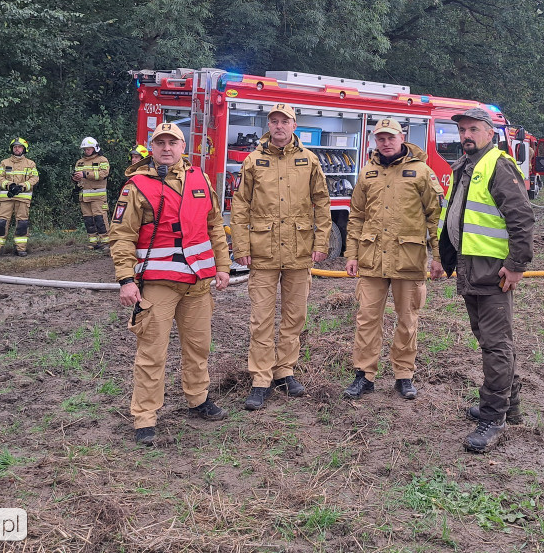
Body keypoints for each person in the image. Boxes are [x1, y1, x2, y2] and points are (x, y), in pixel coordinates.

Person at [108, 122, 231, 446]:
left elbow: (215, 226)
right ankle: (145, 417)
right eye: (160, 143)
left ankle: (197, 398)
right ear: (152, 147)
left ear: (182, 147)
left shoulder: (201, 179)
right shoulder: (137, 185)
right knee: (151, 352)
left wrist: (222, 266)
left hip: (198, 284)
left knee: (198, 347)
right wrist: (125, 280)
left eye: (172, 142)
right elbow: (121, 236)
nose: (166, 148)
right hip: (159, 285)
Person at [437, 107, 535, 454]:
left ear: (489, 133)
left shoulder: (498, 164)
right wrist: (443, 260)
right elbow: (455, 216)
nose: (466, 134)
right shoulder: (466, 166)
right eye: (462, 129)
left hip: (493, 271)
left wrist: (517, 265)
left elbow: (522, 218)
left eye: (473, 129)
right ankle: (512, 406)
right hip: (471, 269)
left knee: (496, 345)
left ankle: (493, 418)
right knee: (492, 341)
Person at [230, 103, 330, 411]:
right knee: (261, 318)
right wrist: (242, 246)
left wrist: (322, 240)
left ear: (294, 125)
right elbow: (240, 204)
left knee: (294, 315)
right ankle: (261, 379)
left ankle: (284, 371)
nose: (279, 126)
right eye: (273, 121)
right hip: (263, 251)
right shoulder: (253, 161)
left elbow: (322, 202)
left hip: (299, 249)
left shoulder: (309, 160)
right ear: (269, 125)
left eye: (284, 121)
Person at [343, 118, 443, 401]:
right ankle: (364, 375)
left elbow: (435, 217)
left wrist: (438, 257)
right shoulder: (367, 174)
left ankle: (404, 376)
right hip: (372, 259)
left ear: (402, 137)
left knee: (408, 320)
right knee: (366, 320)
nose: (385, 143)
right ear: (375, 141)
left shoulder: (422, 172)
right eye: (380, 138)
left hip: (408, 260)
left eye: (390, 137)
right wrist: (351, 254)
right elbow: (357, 218)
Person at [0, 137, 40, 257]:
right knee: (1, 223)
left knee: (22, 223)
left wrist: (22, 186)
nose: (17, 149)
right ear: (12, 149)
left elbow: (35, 178)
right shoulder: (4, 162)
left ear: (24, 149)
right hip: (6, 197)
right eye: (15, 147)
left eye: (19, 147)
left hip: (23, 198)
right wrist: (9, 185)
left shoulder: (30, 163)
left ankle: (20, 248)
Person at [73, 137, 110, 250]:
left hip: (98, 197)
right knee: (88, 221)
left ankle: (106, 243)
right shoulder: (80, 162)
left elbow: (103, 174)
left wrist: (85, 174)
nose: (86, 151)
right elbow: (78, 177)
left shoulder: (102, 160)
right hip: (84, 197)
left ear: (95, 148)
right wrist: (75, 178)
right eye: (85, 149)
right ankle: (93, 242)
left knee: (100, 220)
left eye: (88, 149)